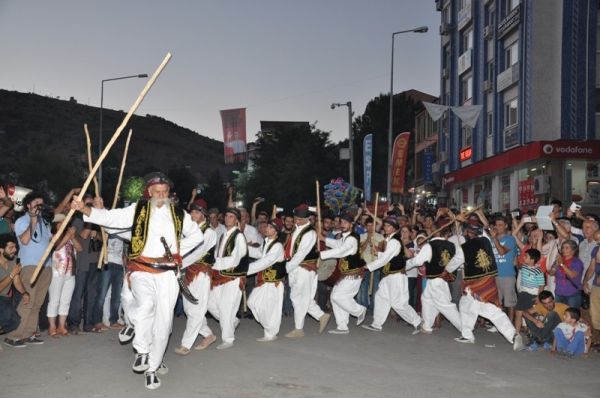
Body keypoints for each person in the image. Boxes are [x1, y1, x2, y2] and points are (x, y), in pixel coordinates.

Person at [71, 172, 203, 390]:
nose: (161, 195)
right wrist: (85, 209)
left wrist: (176, 254)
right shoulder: (137, 210)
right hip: (142, 269)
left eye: (165, 192)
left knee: (164, 324)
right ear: (149, 192)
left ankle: (152, 367)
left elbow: (197, 237)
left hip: (168, 274)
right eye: (157, 192)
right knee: (144, 307)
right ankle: (141, 350)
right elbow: (110, 219)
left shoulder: (180, 214)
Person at [455, 225, 524, 350]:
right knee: (468, 305)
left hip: (474, 285)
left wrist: (449, 269)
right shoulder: (487, 241)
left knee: (488, 310)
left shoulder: (464, 248)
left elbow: (454, 263)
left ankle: (513, 335)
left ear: (468, 233)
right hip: (488, 282)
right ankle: (467, 335)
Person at [5, 191, 52, 346]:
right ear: (28, 205)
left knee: (37, 303)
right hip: (30, 265)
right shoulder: (22, 221)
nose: (39, 206)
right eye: (36, 203)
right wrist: (32, 221)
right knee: (28, 301)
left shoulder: (45, 222)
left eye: (41, 204)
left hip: (46, 266)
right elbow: (24, 241)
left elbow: (49, 242)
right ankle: (13, 335)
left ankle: (29, 333)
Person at [361, 217, 422, 334]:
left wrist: (367, 267)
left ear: (394, 228)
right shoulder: (388, 240)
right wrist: (378, 253)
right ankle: (377, 324)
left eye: (389, 226)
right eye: (385, 225)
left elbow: (385, 259)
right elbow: (388, 256)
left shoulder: (394, 241)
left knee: (398, 303)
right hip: (389, 276)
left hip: (396, 276)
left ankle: (417, 321)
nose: (386, 227)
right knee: (381, 297)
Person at [174, 202, 217, 355]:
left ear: (203, 214)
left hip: (200, 273)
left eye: (196, 213)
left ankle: (186, 344)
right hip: (187, 273)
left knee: (196, 309)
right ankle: (208, 335)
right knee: (188, 309)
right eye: (191, 213)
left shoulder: (210, 232)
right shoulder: (189, 231)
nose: (193, 216)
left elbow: (198, 253)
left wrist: (178, 263)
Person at [405, 224, 464, 335]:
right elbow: (461, 258)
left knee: (445, 306)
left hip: (436, 280)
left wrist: (405, 266)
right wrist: (448, 269)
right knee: (426, 299)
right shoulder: (453, 246)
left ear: (435, 231)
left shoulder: (430, 245)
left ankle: (465, 329)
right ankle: (427, 326)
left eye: (431, 229)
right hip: (439, 280)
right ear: (446, 234)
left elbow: (417, 261)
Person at [284, 204, 330, 338]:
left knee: (298, 298)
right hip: (295, 268)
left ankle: (299, 329)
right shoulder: (296, 229)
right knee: (303, 298)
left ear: (307, 219)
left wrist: (286, 268)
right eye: (295, 219)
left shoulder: (310, 233)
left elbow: (300, 254)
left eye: (299, 219)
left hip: (304, 269)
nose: (296, 221)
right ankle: (321, 316)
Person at [207, 207, 248, 350]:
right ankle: (232, 321)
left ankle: (228, 339)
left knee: (226, 308)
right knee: (210, 303)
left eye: (231, 216)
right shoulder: (222, 236)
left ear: (236, 220)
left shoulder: (239, 236)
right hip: (219, 276)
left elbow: (235, 259)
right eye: (226, 216)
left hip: (233, 277)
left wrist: (215, 264)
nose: (227, 218)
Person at [319, 213, 367, 334]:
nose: (343, 225)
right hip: (346, 274)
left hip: (354, 274)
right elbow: (338, 244)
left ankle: (359, 310)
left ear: (351, 224)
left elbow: (341, 251)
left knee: (337, 296)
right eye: (342, 222)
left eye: (346, 223)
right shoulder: (345, 237)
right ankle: (342, 326)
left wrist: (322, 254)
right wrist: (323, 239)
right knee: (335, 297)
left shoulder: (352, 238)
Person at [247, 220, 286, 341]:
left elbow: (266, 261)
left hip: (273, 283)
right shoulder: (267, 243)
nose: (266, 229)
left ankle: (270, 333)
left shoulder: (278, 246)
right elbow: (259, 253)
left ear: (276, 231)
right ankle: (269, 328)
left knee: (271, 309)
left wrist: (245, 270)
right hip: (264, 281)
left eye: (270, 227)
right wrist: (244, 247)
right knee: (252, 303)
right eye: (267, 227)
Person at [47, 214, 81, 337]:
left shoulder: (70, 237)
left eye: (65, 222)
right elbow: (57, 247)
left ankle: (62, 326)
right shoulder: (53, 237)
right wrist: (68, 235)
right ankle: (52, 326)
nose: (64, 224)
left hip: (70, 273)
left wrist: (72, 237)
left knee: (65, 301)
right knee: (54, 300)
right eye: (61, 222)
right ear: (56, 225)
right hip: (57, 272)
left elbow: (79, 248)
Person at [1, 233, 30, 347]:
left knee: (15, 321)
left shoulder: (13, 262)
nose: (14, 250)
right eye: (11, 248)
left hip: (6, 297)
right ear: (1, 249)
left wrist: (24, 292)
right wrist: (12, 275)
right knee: (6, 313)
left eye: (15, 247)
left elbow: (17, 281)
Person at [92, 234, 125, 331]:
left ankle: (113, 321)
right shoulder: (107, 226)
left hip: (119, 264)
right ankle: (97, 321)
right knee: (102, 294)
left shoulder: (122, 228)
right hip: (107, 262)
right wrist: (101, 236)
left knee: (117, 296)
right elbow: (98, 236)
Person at [514, 248, 545, 333]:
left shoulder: (538, 271)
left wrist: (538, 297)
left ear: (532, 260)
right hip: (523, 294)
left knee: (529, 315)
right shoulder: (523, 267)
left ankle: (531, 333)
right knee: (518, 313)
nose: (524, 257)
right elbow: (518, 266)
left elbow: (541, 285)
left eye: (526, 256)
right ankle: (517, 333)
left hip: (532, 295)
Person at [549, 240, 584, 308]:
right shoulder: (559, 260)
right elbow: (551, 273)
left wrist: (562, 264)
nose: (563, 250)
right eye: (563, 247)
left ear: (573, 251)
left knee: (572, 316)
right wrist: (556, 265)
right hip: (559, 293)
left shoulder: (577, 262)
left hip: (572, 294)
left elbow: (572, 275)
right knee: (558, 315)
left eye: (567, 248)